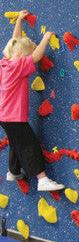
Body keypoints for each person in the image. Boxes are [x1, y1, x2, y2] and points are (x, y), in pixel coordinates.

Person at [0, 10, 64, 192]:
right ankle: (42, 179)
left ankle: (13, 171)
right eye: (27, 54)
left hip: (4, 116)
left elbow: (15, 41)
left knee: (16, 141)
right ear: (21, 55)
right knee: (29, 145)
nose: (31, 59)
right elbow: (36, 57)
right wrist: (46, 37)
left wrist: (19, 20)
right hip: (14, 117)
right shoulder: (18, 65)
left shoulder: (6, 63)